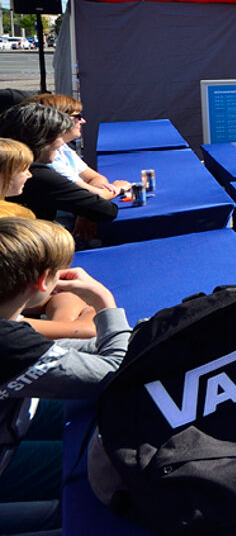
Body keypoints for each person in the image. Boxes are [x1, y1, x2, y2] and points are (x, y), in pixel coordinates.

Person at [0, 218, 129, 534]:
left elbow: (80, 348)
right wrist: (103, 301)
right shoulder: (7, 342)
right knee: (90, 494)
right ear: (44, 281)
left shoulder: (10, 327)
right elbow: (114, 371)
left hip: (14, 427)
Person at [2, 104, 117, 224]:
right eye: (60, 135)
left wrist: (83, 210)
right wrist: (116, 189)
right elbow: (106, 210)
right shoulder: (37, 174)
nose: (63, 143)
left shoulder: (30, 168)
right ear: (43, 139)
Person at [21, 95, 131, 200]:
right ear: (57, 120)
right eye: (77, 117)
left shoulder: (61, 147)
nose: (83, 121)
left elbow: (95, 178)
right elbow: (93, 198)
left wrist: (97, 189)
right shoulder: (49, 159)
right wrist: (115, 189)